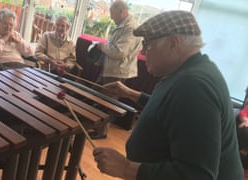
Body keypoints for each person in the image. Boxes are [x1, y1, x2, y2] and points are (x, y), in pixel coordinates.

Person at [92, 10, 244, 180]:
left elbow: (197, 175)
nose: (143, 51)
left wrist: (126, 168)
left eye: (148, 44)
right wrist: (130, 94)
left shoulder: (194, 85)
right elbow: (171, 110)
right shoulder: (189, 72)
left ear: (174, 43)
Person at [90, 0, 142, 139]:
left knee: (108, 102)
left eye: (112, 13)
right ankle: (97, 127)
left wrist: (101, 47)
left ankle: (102, 131)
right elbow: (112, 45)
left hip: (117, 72)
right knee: (99, 97)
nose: (111, 17)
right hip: (110, 69)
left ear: (122, 11)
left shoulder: (130, 27)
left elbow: (120, 52)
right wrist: (100, 60)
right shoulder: (122, 25)